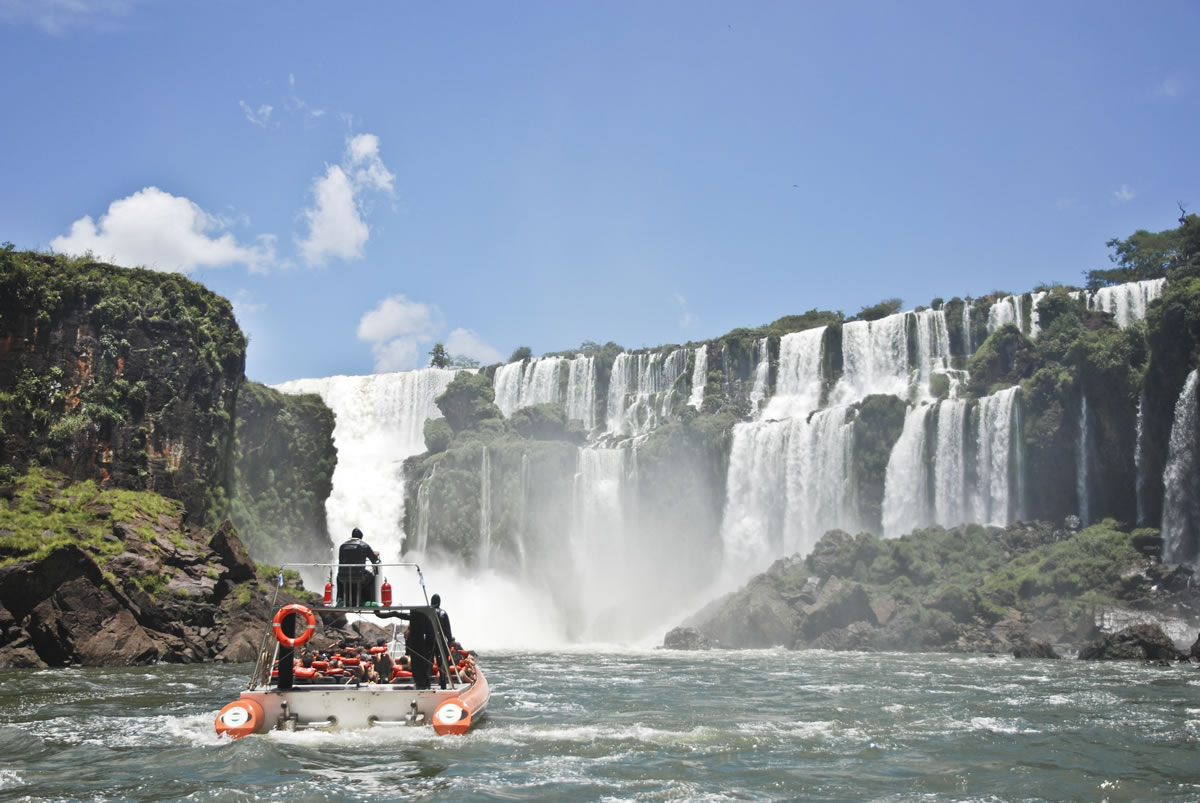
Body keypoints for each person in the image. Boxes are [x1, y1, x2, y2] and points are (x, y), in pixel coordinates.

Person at [337, 527, 381, 606]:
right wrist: (375, 555)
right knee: (371, 576)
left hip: (343, 576)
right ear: (361, 537)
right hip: (359, 576)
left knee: (338, 576)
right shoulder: (364, 545)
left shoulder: (342, 546)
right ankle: (369, 599)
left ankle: (340, 598)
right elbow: (374, 560)